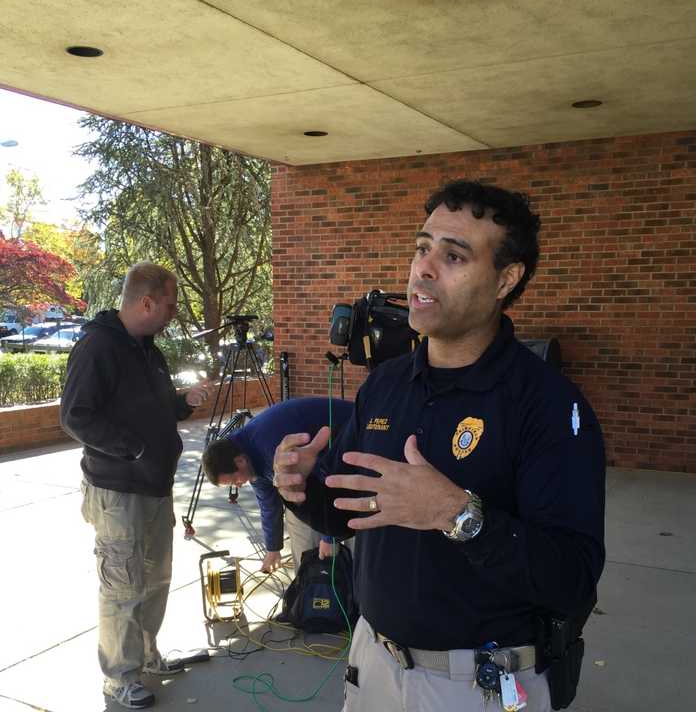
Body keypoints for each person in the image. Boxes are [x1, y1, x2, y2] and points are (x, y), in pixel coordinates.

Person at [272, 180, 606, 712]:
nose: (423, 269)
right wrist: (299, 489)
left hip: (477, 684)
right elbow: (348, 513)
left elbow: (572, 578)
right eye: (422, 247)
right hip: (373, 664)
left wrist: (457, 514)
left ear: (506, 280)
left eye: (454, 256)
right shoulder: (385, 384)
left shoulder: (545, 403)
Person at [60, 262, 211, 710]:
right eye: (170, 304)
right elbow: (75, 416)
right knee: (123, 585)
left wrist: (182, 403)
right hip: (118, 490)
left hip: (155, 488)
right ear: (146, 302)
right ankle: (119, 677)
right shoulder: (98, 347)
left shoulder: (148, 349)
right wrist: (134, 449)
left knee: (156, 579)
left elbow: (152, 406)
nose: (173, 313)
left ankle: (147, 657)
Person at [202, 397, 354, 572]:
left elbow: (327, 483)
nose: (238, 485)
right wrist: (273, 548)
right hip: (327, 459)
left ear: (240, 461)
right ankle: (311, 582)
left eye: (234, 481)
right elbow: (268, 504)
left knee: (309, 525)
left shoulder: (270, 447)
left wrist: (330, 538)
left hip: (355, 437)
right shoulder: (245, 455)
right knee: (300, 518)